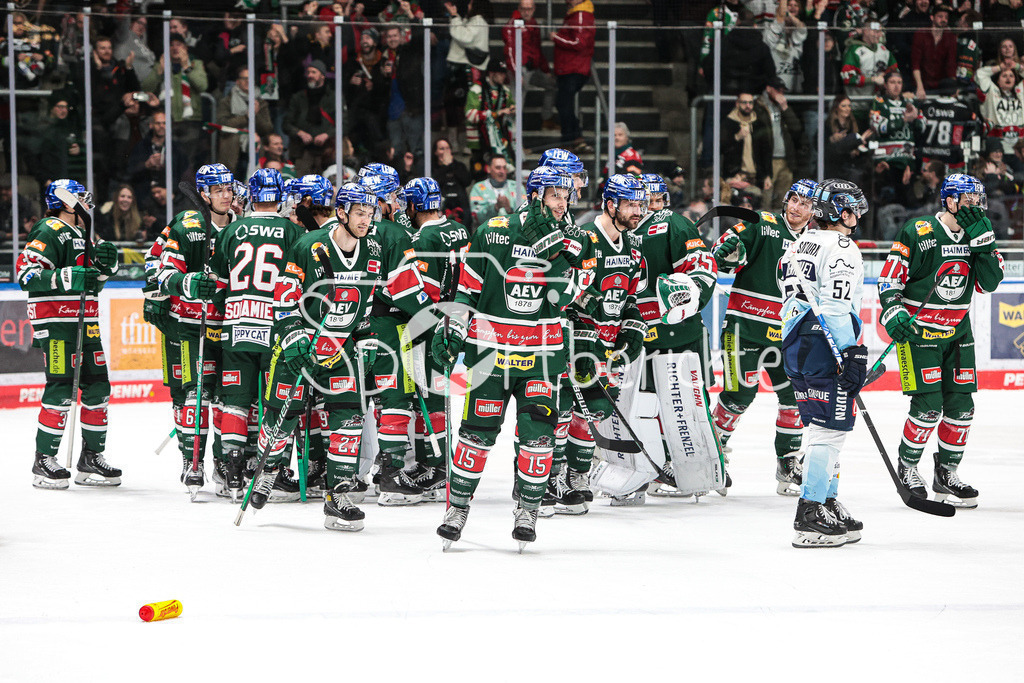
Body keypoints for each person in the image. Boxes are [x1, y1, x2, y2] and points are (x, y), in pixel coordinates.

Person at [431, 168, 579, 550]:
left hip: (543, 355)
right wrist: (452, 329)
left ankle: (528, 509)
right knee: (475, 436)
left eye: (566, 194)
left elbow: (565, 297)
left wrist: (555, 250)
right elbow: (467, 290)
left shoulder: (573, 239)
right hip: (490, 355)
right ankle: (457, 508)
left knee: (538, 438)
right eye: (554, 194)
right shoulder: (492, 231)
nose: (563, 201)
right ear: (534, 195)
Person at [259, 182, 382, 530]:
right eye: (360, 212)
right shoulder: (309, 246)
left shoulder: (371, 249)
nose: (366, 219)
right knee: (281, 418)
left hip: (339, 351)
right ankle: (268, 469)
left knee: (348, 421)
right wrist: (295, 337)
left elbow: (366, 306)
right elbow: (284, 296)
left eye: (370, 213)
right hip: (300, 348)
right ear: (341, 212)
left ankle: (337, 495)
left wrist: (367, 337)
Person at [878, 173, 1004, 508]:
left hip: (958, 333)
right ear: (949, 200)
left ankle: (946, 473)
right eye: (969, 199)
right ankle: (908, 466)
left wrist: (985, 246)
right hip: (919, 335)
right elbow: (890, 278)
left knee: (962, 408)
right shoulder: (920, 232)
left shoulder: (980, 233)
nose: (976, 206)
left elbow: (989, 283)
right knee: (929, 406)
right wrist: (894, 313)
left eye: (979, 199)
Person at [711, 179, 818, 495]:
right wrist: (727, 253)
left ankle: (788, 464)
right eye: (794, 200)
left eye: (805, 204)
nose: (797, 208)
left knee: (796, 398)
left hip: (788, 337)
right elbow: (725, 256)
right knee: (737, 396)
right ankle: (714, 456)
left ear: (814, 212)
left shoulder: (815, 242)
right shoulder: (763, 223)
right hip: (744, 330)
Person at [779, 178, 869, 548]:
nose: (858, 215)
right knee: (828, 430)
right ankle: (810, 512)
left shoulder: (801, 242)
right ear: (842, 211)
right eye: (854, 208)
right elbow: (835, 305)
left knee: (825, 425)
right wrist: (851, 351)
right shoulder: (844, 247)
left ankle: (827, 500)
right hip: (824, 344)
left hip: (795, 342)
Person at [17, 179, 121, 489]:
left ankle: (91, 457)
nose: (87, 202)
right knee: (61, 387)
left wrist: (105, 267)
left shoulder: (86, 233)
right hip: (56, 322)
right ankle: (43, 460)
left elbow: (93, 283)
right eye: (80, 197)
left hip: (85, 320)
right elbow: (26, 275)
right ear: (64, 202)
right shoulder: (48, 228)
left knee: (98, 387)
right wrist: (69, 275)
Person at [210, 168, 303, 503]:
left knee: (235, 401)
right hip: (276, 328)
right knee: (274, 402)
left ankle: (232, 473)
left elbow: (218, 284)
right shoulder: (293, 232)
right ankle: (269, 470)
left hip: (236, 325)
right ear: (280, 197)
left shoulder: (232, 230)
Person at [558, 174, 648, 508]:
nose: (637, 211)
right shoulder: (583, 239)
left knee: (594, 411)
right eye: (630, 204)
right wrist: (586, 314)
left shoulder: (634, 246)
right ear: (610, 205)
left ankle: (577, 474)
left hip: (607, 344)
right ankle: (552, 476)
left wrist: (633, 327)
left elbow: (632, 296)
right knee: (562, 408)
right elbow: (562, 290)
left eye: (639, 204)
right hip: (576, 340)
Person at [631, 173, 721, 499]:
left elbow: (702, 267)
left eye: (655, 200)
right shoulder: (623, 231)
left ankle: (693, 468)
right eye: (642, 201)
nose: (649, 207)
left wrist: (690, 294)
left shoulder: (673, 224)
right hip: (638, 336)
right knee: (640, 408)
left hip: (678, 334)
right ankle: (651, 469)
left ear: (664, 201)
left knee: (686, 406)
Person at [154, 164, 238, 498]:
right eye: (218, 190)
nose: (226, 195)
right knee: (194, 396)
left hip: (229, 326)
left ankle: (221, 462)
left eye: (229, 189)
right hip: (191, 325)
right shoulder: (186, 225)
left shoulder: (241, 226)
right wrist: (186, 282)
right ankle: (193, 462)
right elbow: (160, 268)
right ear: (203, 194)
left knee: (225, 399)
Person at [355, 166, 434, 505]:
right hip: (385, 326)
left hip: (345, 327)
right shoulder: (392, 233)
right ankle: (390, 476)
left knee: (350, 403)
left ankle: (344, 474)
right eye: (392, 195)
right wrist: (431, 316)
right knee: (396, 398)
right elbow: (405, 289)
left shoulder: (337, 229)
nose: (398, 202)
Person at [141, 34, 209, 171]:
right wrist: (159, 71)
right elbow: (146, 87)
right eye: (171, 45)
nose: (175, 48)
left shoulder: (196, 64)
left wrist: (186, 67)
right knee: (165, 161)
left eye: (179, 44)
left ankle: (181, 191)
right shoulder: (161, 65)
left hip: (189, 121)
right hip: (166, 121)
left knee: (185, 161)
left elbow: (202, 85)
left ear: (185, 48)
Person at [503, 0, 557, 130]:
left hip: (533, 68)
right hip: (519, 69)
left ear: (534, 9)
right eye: (524, 9)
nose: (526, 12)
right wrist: (517, 73)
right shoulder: (512, 24)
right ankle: (511, 140)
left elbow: (537, 48)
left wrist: (546, 69)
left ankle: (547, 119)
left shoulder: (533, 23)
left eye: (529, 9)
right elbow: (509, 51)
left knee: (552, 85)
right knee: (516, 105)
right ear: (519, 8)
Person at [552, 0, 596, 153]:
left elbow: (579, 42)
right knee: (564, 103)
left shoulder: (581, 15)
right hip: (568, 67)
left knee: (563, 103)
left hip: (575, 69)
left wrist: (556, 38)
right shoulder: (573, 14)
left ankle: (569, 139)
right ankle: (575, 137)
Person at [216, 67, 274, 176]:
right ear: (237, 82)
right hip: (231, 150)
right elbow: (223, 125)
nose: (247, 81)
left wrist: (255, 115)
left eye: (250, 79)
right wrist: (246, 118)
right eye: (244, 78)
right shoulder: (227, 101)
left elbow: (267, 129)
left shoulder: (261, 102)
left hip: (255, 150)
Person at [284, 60, 336, 177]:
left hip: (327, 151)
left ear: (322, 75)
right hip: (303, 151)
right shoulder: (298, 97)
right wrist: (300, 133)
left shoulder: (334, 97)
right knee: (301, 184)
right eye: (308, 72)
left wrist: (327, 135)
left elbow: (343, 124)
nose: (310, 75)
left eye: (314, 72)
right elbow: (287, 124)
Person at [840, 19, 898, 123]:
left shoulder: (883, 50)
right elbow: (847, 78)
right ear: (865, 31)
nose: (878, 34)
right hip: (855, 107)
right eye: (875, 31)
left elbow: (895, 73)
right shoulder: (854, 50)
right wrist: (872, 79)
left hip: (878, 106)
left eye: (880, 31)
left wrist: (886, 77)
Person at [465, 60, 515, 179]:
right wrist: (496, 114)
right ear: (491, 73)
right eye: (501, 74)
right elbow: (470, 115)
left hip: (500, 139)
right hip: (479, 140)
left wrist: (513, 109)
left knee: (504, 168)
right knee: (480, 172)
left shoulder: (505, 91)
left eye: (504, 73)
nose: (504, 76)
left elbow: (511, 106)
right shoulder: (476, 90)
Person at [347, 28, 392, 154]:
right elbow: (344, 87)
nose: (364, 41)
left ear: (375, 42)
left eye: (368, 38)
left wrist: (377, 84)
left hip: (378, 116)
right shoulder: (353, 62)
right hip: (356, 115)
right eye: (362, 38)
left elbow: (387, 89)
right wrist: (351, 83)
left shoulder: (383, 62)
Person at [722, 93, 775, 199]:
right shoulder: (728, 123)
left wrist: (767, 175)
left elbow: (766, 151)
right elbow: (721, 148)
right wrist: (736, 137)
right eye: (744, 102)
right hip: (736, 176)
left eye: (750, 103)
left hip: (756, 176)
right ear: (737, 104)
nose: (748, 106)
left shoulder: (758, 124)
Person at [128, 112, 188, 203]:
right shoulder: (141, 146)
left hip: (170, 197)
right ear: (151, 125)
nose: (161, 126)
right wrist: (146, 165)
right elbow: (130, 171)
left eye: (165, 123)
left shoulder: (176, 148)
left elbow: (183, 174)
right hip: (145, 196)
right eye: (158, 123)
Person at [911, 3, 955, 99]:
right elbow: (915, 63)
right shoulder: (920, 34)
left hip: (941, 86)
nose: (944, 20)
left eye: (946, 17)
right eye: (940, 16)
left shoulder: (950, 37)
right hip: (921, 83)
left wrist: (953, 87)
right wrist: (919, 86)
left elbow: (951, 65)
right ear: (932, 17)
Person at [824, 95, 871, 186]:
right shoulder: (827, 125)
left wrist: (857, 149)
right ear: (836, 108)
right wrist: (832, 139)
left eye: (849, 106)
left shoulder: (855, 124)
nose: (847, 109)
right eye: (843, 106)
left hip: (852, 164)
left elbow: (863, 145)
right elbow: (826, 148)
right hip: (834, 166)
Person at [468, 153, 522, 229]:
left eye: (504, 167)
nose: (502, 171)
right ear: (488, 169)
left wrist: (509, 209)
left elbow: (526, 214)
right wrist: (496, 207)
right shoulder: (478, 188)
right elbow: (477, 217)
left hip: (513, 234)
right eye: (498, 168)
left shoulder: (517, 186)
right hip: (488, 235)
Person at [764, 0, 808, 91]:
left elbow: (802, 28)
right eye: (789, 5)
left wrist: (789, 15)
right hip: (776, 88)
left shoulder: (798, 33)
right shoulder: (772, 31)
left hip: (796, 87)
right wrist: (784, 13)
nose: (792, 7)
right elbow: (780, 17)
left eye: (796, 5)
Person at [432, 138, 472, 226]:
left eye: (448, 148)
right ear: (435, 152)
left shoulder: (459, 166)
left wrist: (451, 165)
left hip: (460, 205)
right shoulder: (432, 168)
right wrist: (445, 166)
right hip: (441, 206)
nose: (446, 151)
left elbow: (466, 181)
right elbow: (435, 184)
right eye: (442, 149)